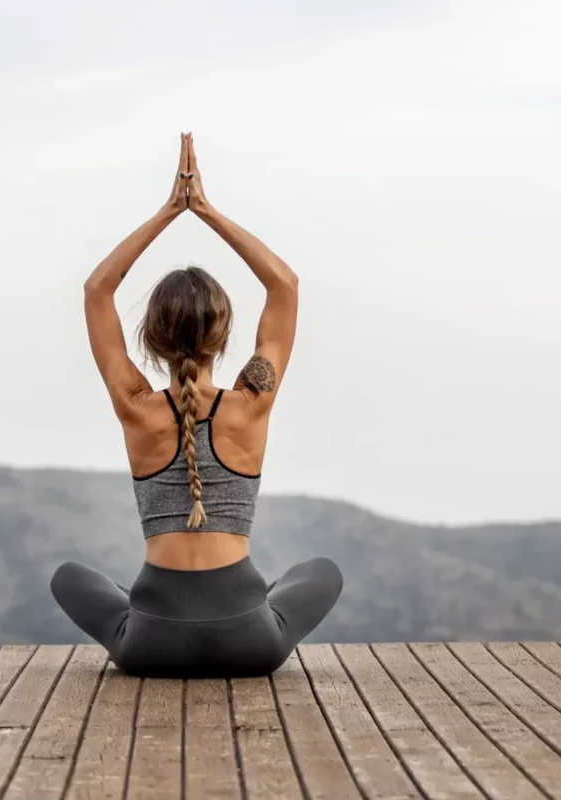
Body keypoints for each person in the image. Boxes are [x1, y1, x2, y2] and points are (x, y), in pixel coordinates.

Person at [50, 133, 343, 678]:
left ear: (153, 338)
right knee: (319, 570)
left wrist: (168, 212)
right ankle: (247, 599)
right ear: (223, 333)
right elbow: (285, 286)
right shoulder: (251, 402)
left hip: (149, 646)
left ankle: (150, 607)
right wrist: (205, 210)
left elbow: (97, 290)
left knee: (69, 575)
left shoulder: (135, 405)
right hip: (251, 642)